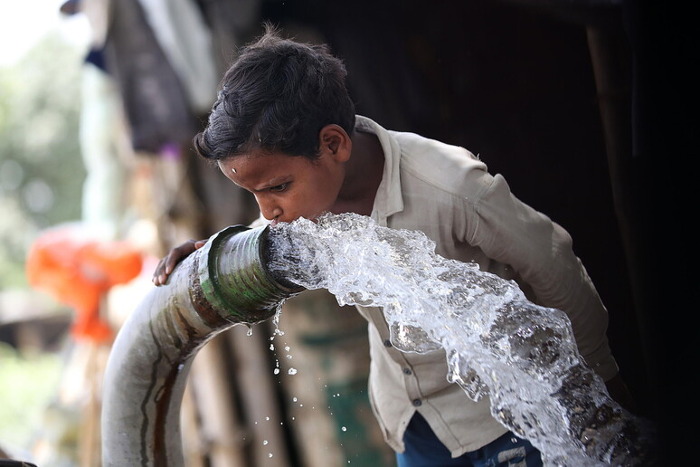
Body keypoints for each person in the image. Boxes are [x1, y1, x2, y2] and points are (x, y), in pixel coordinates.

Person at [152, 25, 635, 467]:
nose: (267, 211)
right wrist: (214, 256)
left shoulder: (452, 187)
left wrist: (601, 393)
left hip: (503, 418)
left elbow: (555, 267)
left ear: (333, 145)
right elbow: (264, 245)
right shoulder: (307, 207)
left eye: (276, 187)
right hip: (414, 424)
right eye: (253, 194)